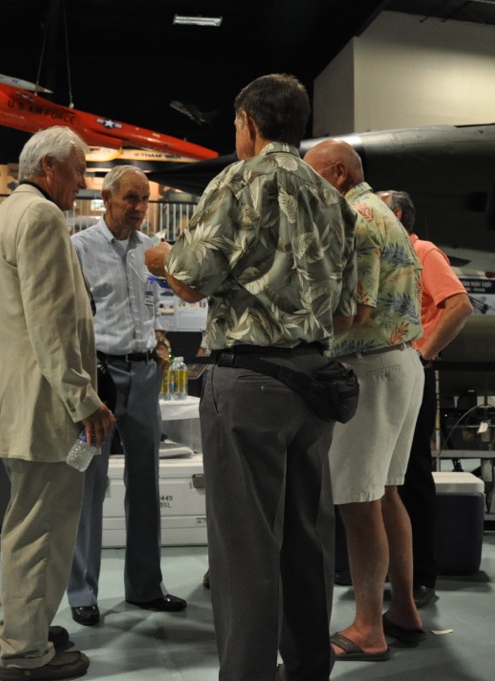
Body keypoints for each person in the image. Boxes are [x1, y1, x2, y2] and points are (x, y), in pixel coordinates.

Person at [150, 73, 358, 681]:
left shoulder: (237, 181)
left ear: (249, 123)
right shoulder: (333, 197)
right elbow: (347, 310)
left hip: (248, 384)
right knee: (307, 538)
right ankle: (309, 669)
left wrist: (161, 258)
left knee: (245, 547)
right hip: (314, 384)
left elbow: (192, 280)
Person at [0, 126, 115, 681]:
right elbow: (51, 322)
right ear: (49, 166)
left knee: (25, 524)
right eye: (79, 169)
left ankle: (21, 627)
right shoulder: (41, 217)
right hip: (43, 406)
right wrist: (84, 399)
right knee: (44, 528)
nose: (83, 181)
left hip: (6, 404)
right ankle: (25, 652)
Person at [303, 139, 425, 662]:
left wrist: (294, 330)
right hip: (402, 361)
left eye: (311, 176)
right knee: (387, 493)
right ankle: (403, 610)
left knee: (357, 502)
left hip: (368, 368)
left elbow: (353, 312)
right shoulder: (383, 210)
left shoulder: (353, 217)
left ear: (337, 173)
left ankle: (368, 628)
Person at [66, 165, 183, 627]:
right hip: (100, 377)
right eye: (131, 198)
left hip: (145, 374)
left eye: (145, 199)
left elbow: (155, 305)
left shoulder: (152, 251)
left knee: (146, 482)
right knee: (89, 484)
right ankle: (82, 591)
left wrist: (160, 340)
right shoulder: (78, 249)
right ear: (106, 198)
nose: (139, 207)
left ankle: (146, 587)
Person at [379, 189, 473, 608]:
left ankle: (421, 574)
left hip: (411, 373)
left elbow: (459, 305)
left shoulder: (423, 252)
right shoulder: (385, 256)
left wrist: (424, 353)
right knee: (382, 477)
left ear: (398, 215)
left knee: (411, 475)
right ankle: (390, 567)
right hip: (386, 375)